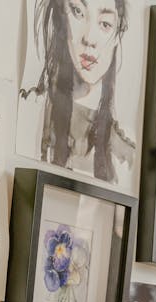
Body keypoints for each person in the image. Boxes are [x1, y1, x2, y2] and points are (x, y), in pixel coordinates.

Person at [20, 0, 134, 184]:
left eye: (105, 24)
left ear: (117, 34)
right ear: (62, 15)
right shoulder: (32, 108)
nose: (89, 38)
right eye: (78, 12)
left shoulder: (125, 152)